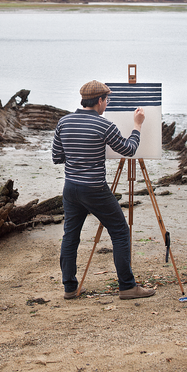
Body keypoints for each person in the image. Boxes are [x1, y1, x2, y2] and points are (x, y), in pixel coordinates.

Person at [52, 80, 156, 300]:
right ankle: (127, 286)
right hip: (95, 188)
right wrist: (137, 125)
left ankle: (69, 288)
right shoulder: (103, 125)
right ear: (99, 100)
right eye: (107, 100)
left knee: (70, 236)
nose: (107, 104)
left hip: (71, 188)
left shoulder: (64, 122)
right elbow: (128, 149)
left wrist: (77, 155)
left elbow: (57, 157)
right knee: (119, 232)